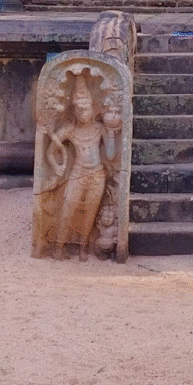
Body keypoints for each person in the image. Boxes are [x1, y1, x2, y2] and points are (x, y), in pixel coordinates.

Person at [45, 74, 119, 260]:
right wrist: (57, 166)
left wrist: (110, 132)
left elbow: (110, 155)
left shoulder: (99, 129)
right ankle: (59, 247)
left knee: (90, 213)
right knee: (68, 209)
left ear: (93, 108)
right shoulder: (70, 130)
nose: (82, 113)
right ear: (74, 110)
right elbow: (50, 151)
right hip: (77, 174)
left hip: (96, 175)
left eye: (86, 109)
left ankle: (83, 248)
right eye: (79, 109)